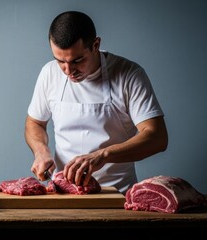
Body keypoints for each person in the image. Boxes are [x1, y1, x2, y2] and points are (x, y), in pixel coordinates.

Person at [25, 11, 168, 193]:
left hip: (117, 193)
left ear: (95, 45)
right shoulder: (49, 73)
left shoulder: (129, 74)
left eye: (77, 60)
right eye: (60, 60)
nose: (68, 70)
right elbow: (35, 122)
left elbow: (157, 137)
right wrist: (40, 150)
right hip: (64, 193)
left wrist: (103, 155)